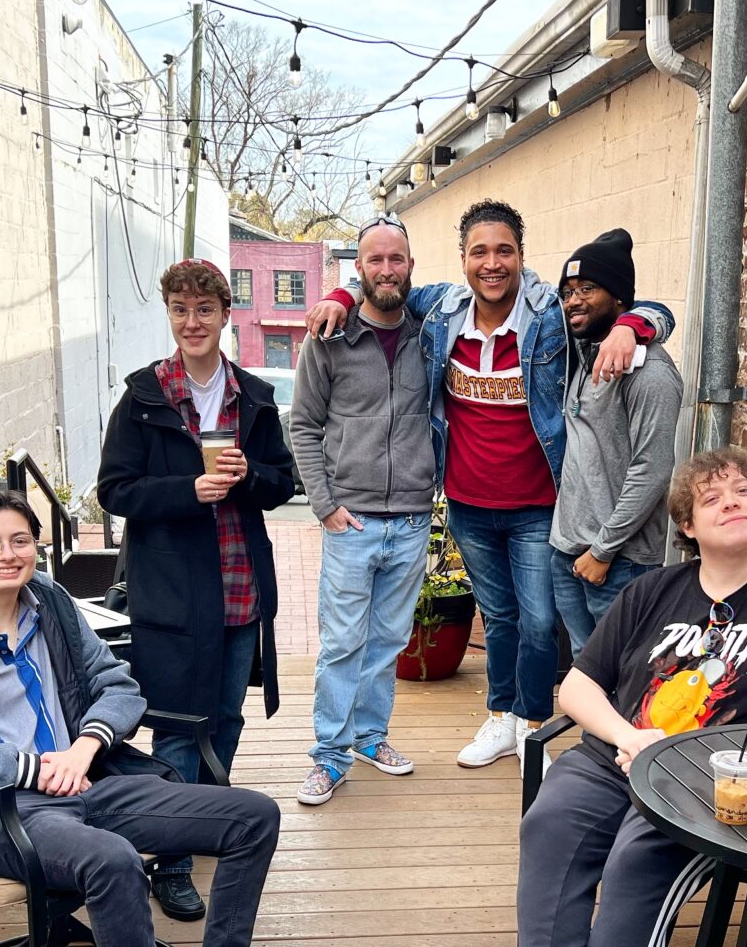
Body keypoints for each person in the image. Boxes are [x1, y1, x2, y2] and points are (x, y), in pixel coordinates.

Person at [307, 201, 673, 772]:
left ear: (522, 257)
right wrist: (341, 294)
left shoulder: (552, 315)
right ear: (462, 260)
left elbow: (636, 307)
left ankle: (532, 727)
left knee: (539, 622)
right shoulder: (439, 311)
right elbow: (385, 283)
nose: (492, 263)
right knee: (498, 618)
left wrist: (632, 324)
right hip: (469, 503)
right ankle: (501, 717)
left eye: (504, 250)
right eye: (479, 251)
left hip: (537, 505)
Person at [0, 489, 281, 947]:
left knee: (254, 816)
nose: (7, 555)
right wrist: (32, 769)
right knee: (112, 859)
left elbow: (118, 686)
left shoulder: (52, 604)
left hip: (88, 781)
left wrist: (84, 749)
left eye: (20, 541)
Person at [517, 448, 747, 947]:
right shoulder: (650, 590)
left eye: (743, 491)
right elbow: (579, 687)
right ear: (688, 526)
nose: (731, 503)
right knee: (548, 825)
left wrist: (678, 761)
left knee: (634, 859)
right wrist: (629, 737)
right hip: (613, 760)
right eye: (711, 498)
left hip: (708, 786)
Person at [97, 258, 294, 919]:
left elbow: (282, 483)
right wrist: (190, 491)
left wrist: (247, 478)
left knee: (227, 718)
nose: (191, 323)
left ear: (224, 315)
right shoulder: (145, 399)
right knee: (178, 727)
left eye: (203, 310)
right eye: (180, 310)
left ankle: (209, 818)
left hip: (239, 590)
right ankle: (171, 860)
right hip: (173, 599)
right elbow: (115, 491)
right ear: (171, 315)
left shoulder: (254, 397)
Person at [290, 216, 435, 805]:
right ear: (359, 269)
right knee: (343, 644)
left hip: (411, 517)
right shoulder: (329, 338)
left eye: (395, 259)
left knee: (388, 642)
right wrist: (324, 506)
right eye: (373, 260)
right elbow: (302, 425)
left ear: (410, 267)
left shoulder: (432, 333)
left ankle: (370, 738)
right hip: (350, 520)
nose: (385, 269)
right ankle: (328, 756)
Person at [550, 229, 683, 657]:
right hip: (569, 550)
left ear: (621, 299)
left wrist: (603, 551)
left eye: (588, 288)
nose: (574, 300)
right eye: (568, 292)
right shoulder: (583, 352)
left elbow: (653, 470)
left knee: (624, 675)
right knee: (584, 669)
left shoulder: (650, 374)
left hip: (618, 561)